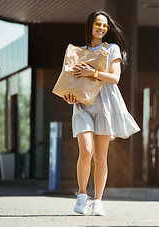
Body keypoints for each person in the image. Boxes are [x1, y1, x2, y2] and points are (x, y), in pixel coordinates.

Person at [63, 10, 140, 216]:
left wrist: (93, 72)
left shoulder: (111, 49)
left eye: (105, 26)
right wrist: (67, 95)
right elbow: (70, 82)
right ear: (90, 26)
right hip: (82, 106)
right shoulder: (78, 51)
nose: (102, 28)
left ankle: (98, 201)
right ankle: (81, 195)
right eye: (98, 24)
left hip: (104, 106)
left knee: (100, 156)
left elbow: (115, 78)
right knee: (86, 151)